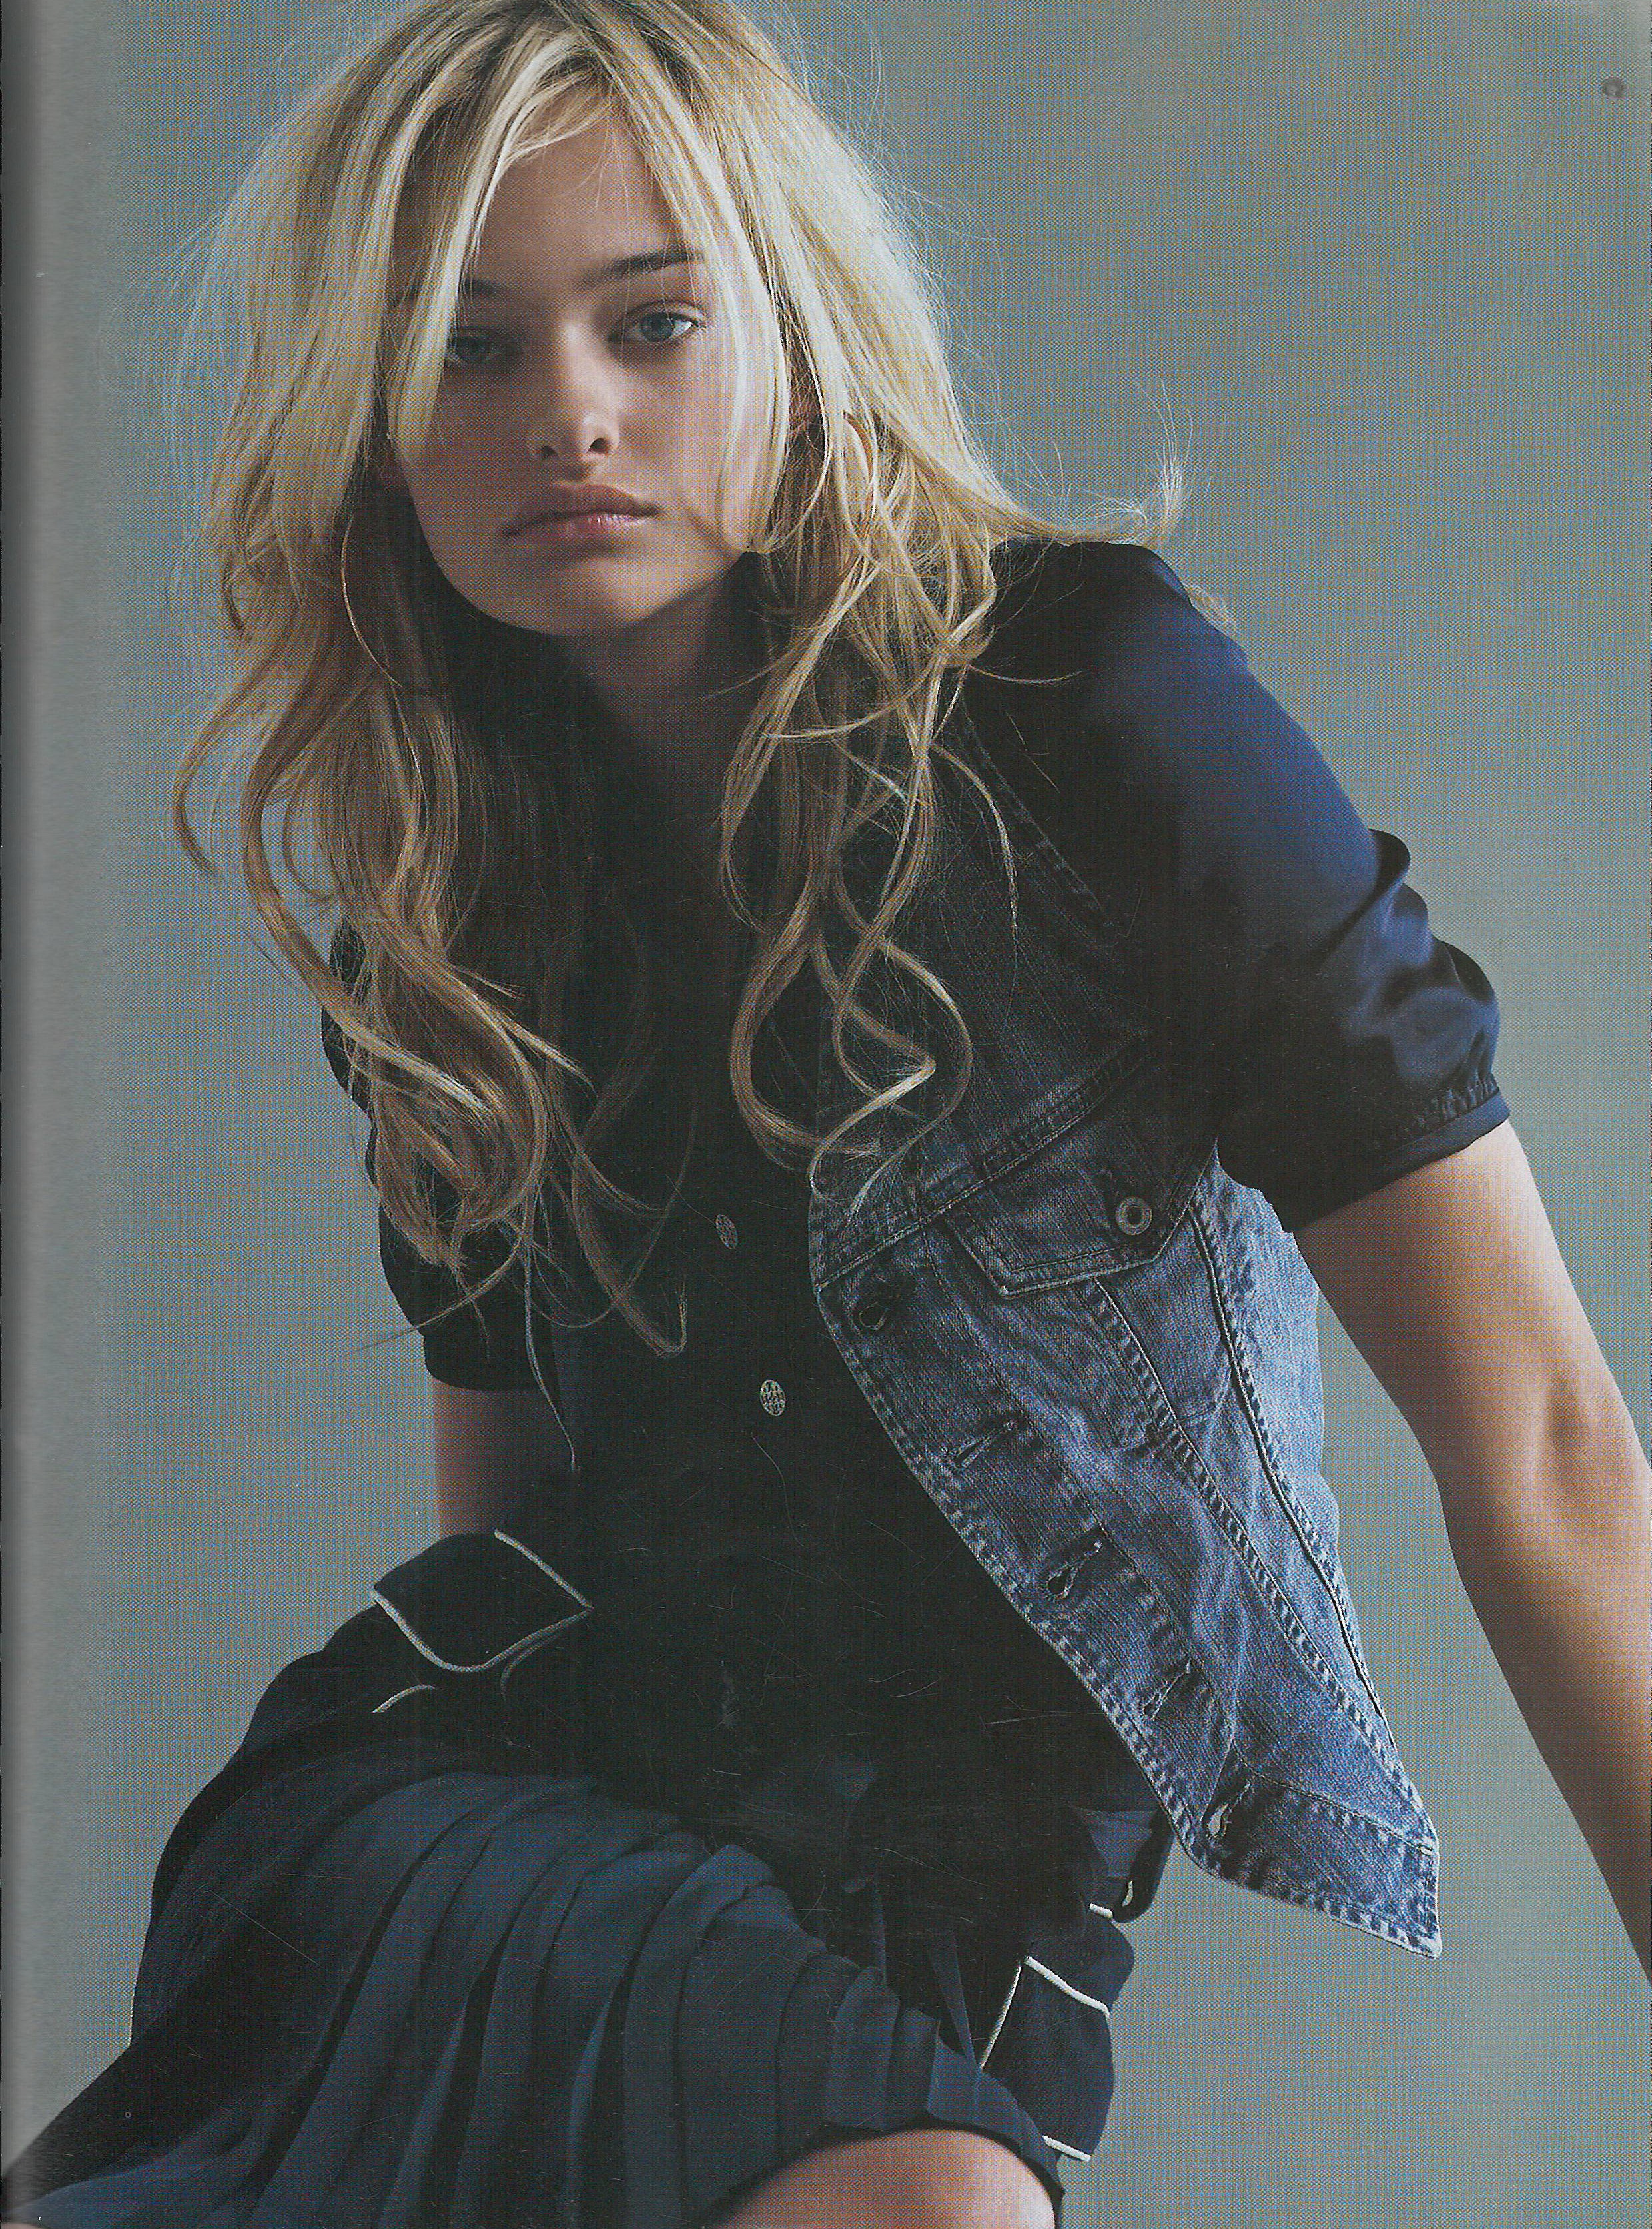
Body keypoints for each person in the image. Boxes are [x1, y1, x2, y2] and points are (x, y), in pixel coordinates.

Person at [7, 1, 1647, 2224]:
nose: (567, 411)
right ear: (372, 430)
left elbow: (1546, 1443)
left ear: (794, 334)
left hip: (951, 1916)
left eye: (652, 320)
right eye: (467, 349)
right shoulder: (452, 910)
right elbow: (522, 1536)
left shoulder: (1097, 720)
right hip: (484, 1850)